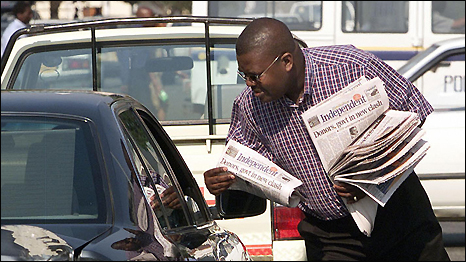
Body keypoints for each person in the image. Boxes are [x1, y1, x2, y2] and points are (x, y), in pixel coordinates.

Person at [203, 17, 450, 261]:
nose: (249, 84)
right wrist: (223, 180)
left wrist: (371, 178)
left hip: (400, 218)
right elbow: (243, 165)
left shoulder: (351, 66)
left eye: (255, 76)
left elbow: (414, 111)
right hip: (332, 237)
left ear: (286, 61)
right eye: (243, 75)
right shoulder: (249, 107)